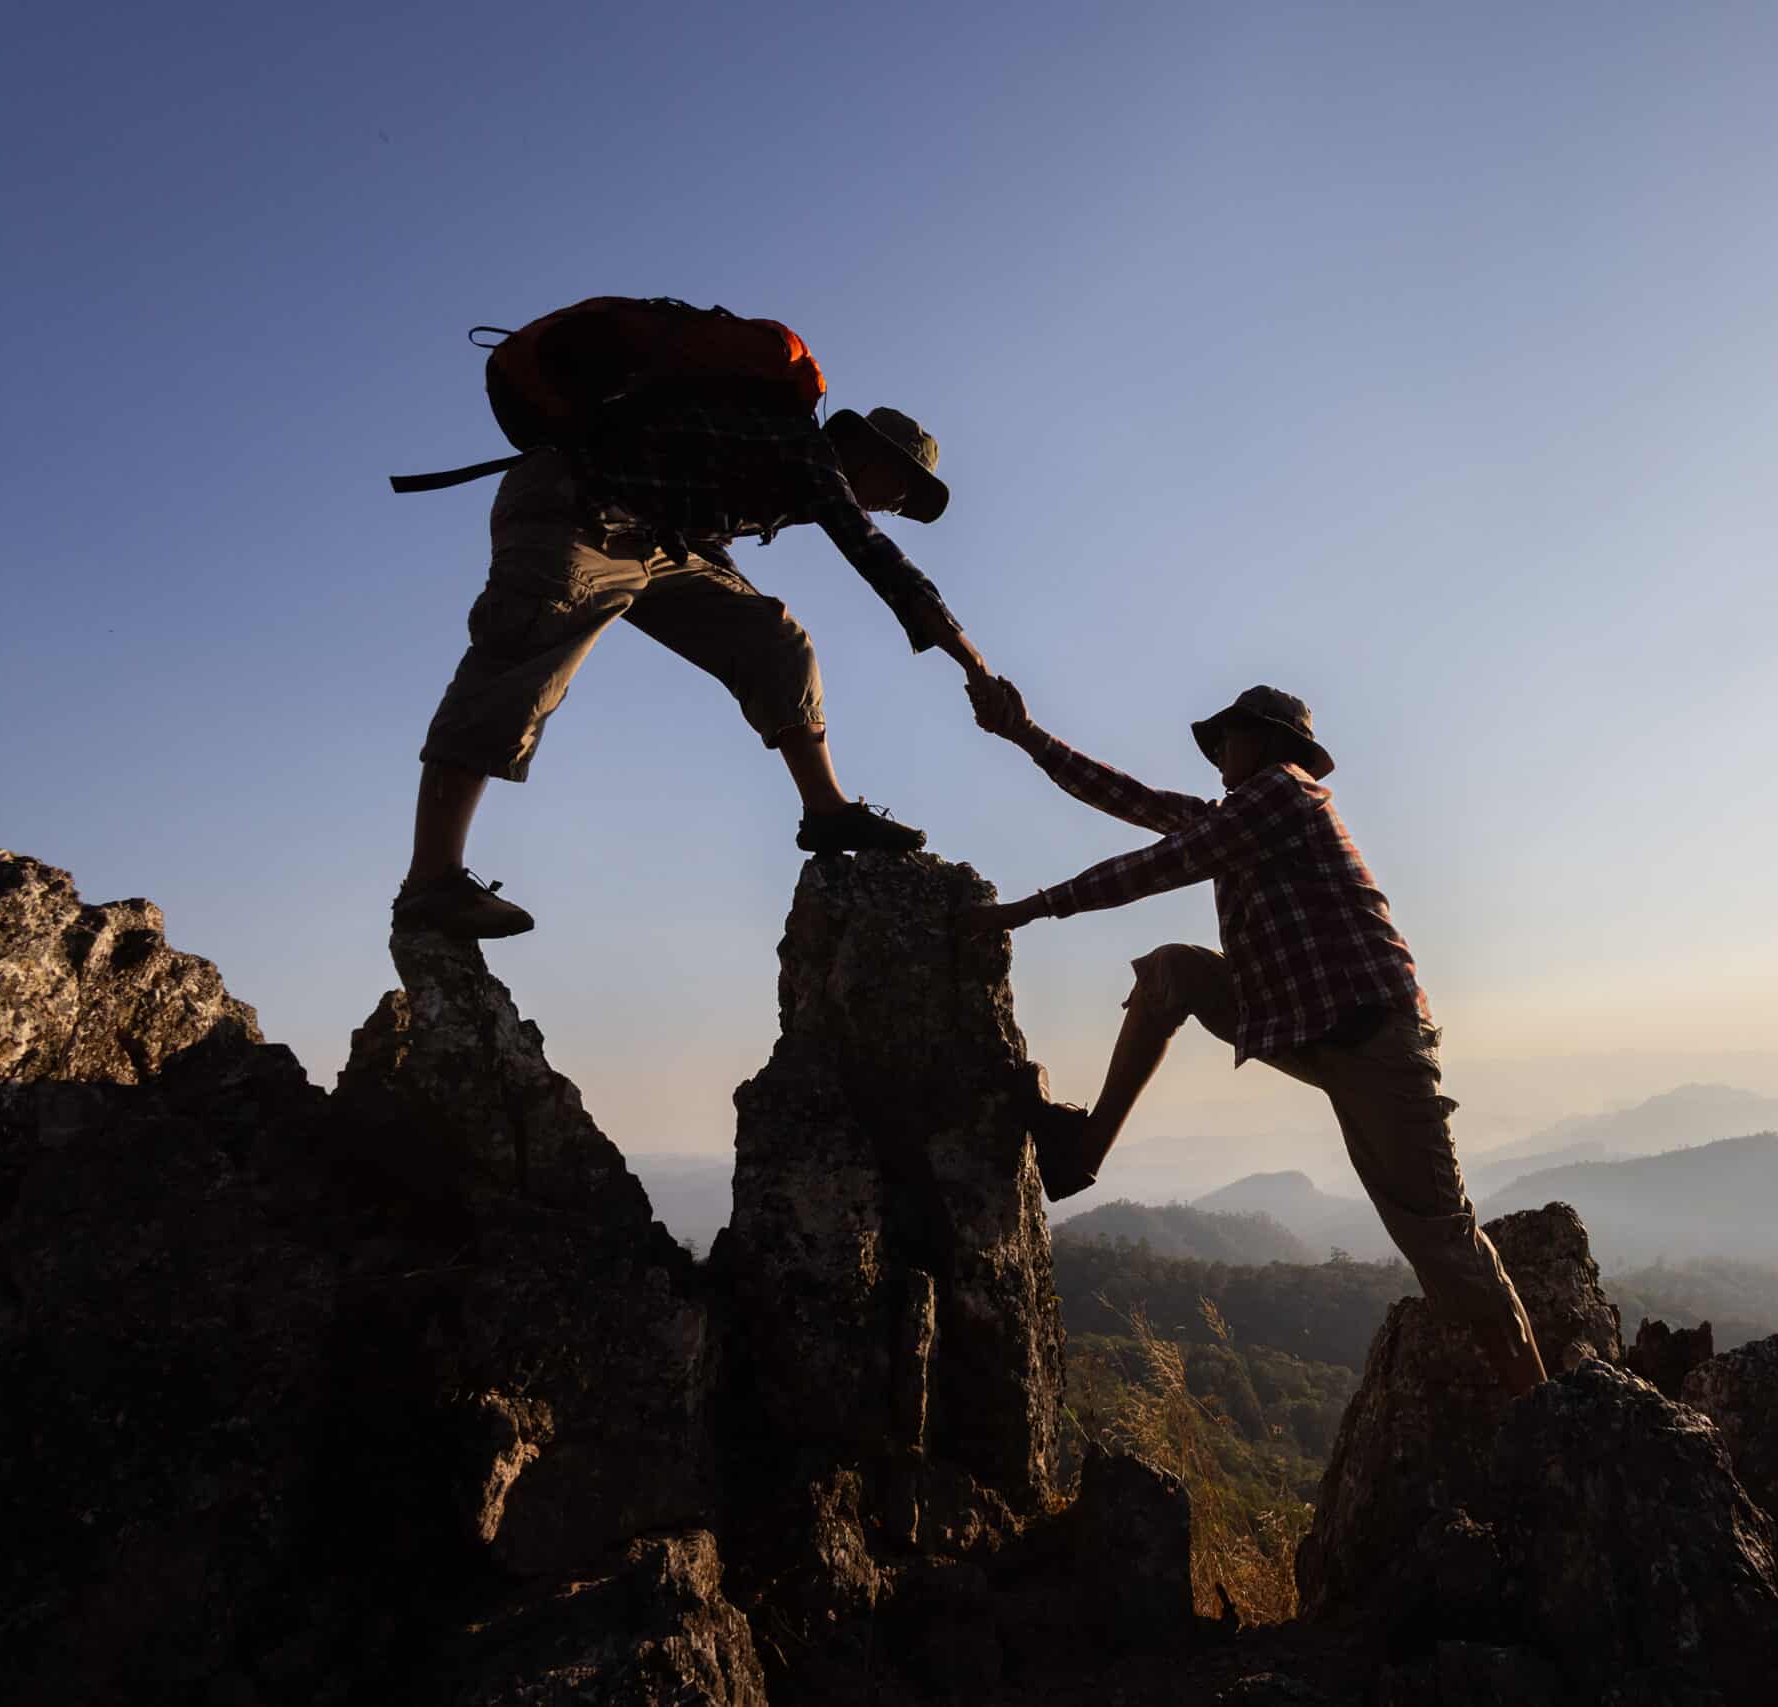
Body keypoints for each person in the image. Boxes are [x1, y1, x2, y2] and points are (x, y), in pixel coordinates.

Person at [959, 677, 1548, 1397]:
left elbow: (1156, 866)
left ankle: (1543, 1407)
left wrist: (1027, 910)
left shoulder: (1284, 794)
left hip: (1376, 1044)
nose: (1217, 756)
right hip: (1302, 1023)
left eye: (1228, 739)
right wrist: (1026, 735)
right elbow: (1133, 800)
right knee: (1172, 973)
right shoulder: (1247, 811)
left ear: (1268, 742)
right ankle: (1082, 1154)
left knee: (1442, 1239)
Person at [393, 401, 990, 938]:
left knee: (775, 639)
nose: (897, 504)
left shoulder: (778, 472)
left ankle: (827, 813)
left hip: (658, 538)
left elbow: (702, 518)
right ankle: (432, 880)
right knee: (526, 656)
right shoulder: (807, 452)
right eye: (902, 486)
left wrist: (740, 599)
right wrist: (974, 666)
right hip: (574, 505)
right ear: (866, 453)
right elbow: (876, 555)